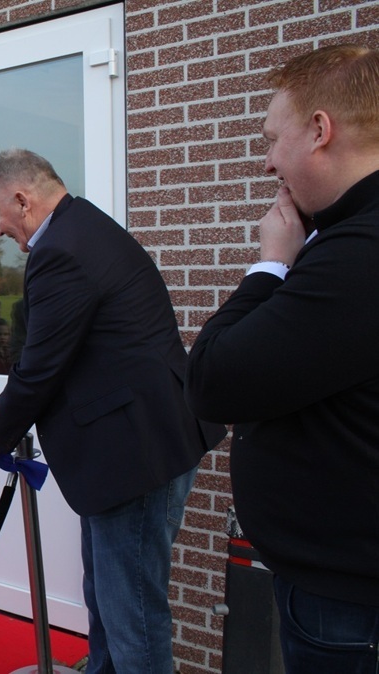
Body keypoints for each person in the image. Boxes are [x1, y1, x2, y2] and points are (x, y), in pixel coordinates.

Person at [0, 149, 225, 674]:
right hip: (132, 450)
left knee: (133, 615)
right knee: (105, 595)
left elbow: (43, 366)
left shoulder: (64, 250)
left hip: (136, 455)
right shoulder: (80, 230)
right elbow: (60, 352)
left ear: (21, 199)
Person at [185, 45, 379, 673]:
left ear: (320, 131)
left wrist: (270, 263)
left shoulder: (358, 253)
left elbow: (215, 381)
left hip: (346, 600)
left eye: (273, 138)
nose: (268, 160)